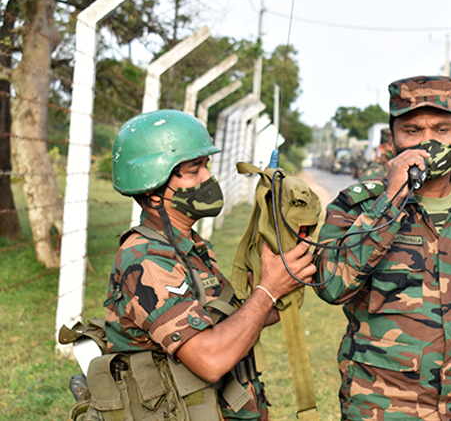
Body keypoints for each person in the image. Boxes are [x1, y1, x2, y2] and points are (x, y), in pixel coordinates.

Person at [313, 76, 451, 421]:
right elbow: (331, 286)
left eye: (442, 129)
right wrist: (389, 201)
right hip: (382, 410)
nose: (429, 142)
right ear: (393, 140)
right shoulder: (357, 207)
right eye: (413, 131)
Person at [101, 110, 316, 420]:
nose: (207, 178)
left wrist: (280, 277)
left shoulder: (190, 247)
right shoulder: (146, 259)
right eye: (193, 171)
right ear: (153, 192)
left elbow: (239, 323)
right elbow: (210, 359)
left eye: (206, 166)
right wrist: (268, 290)